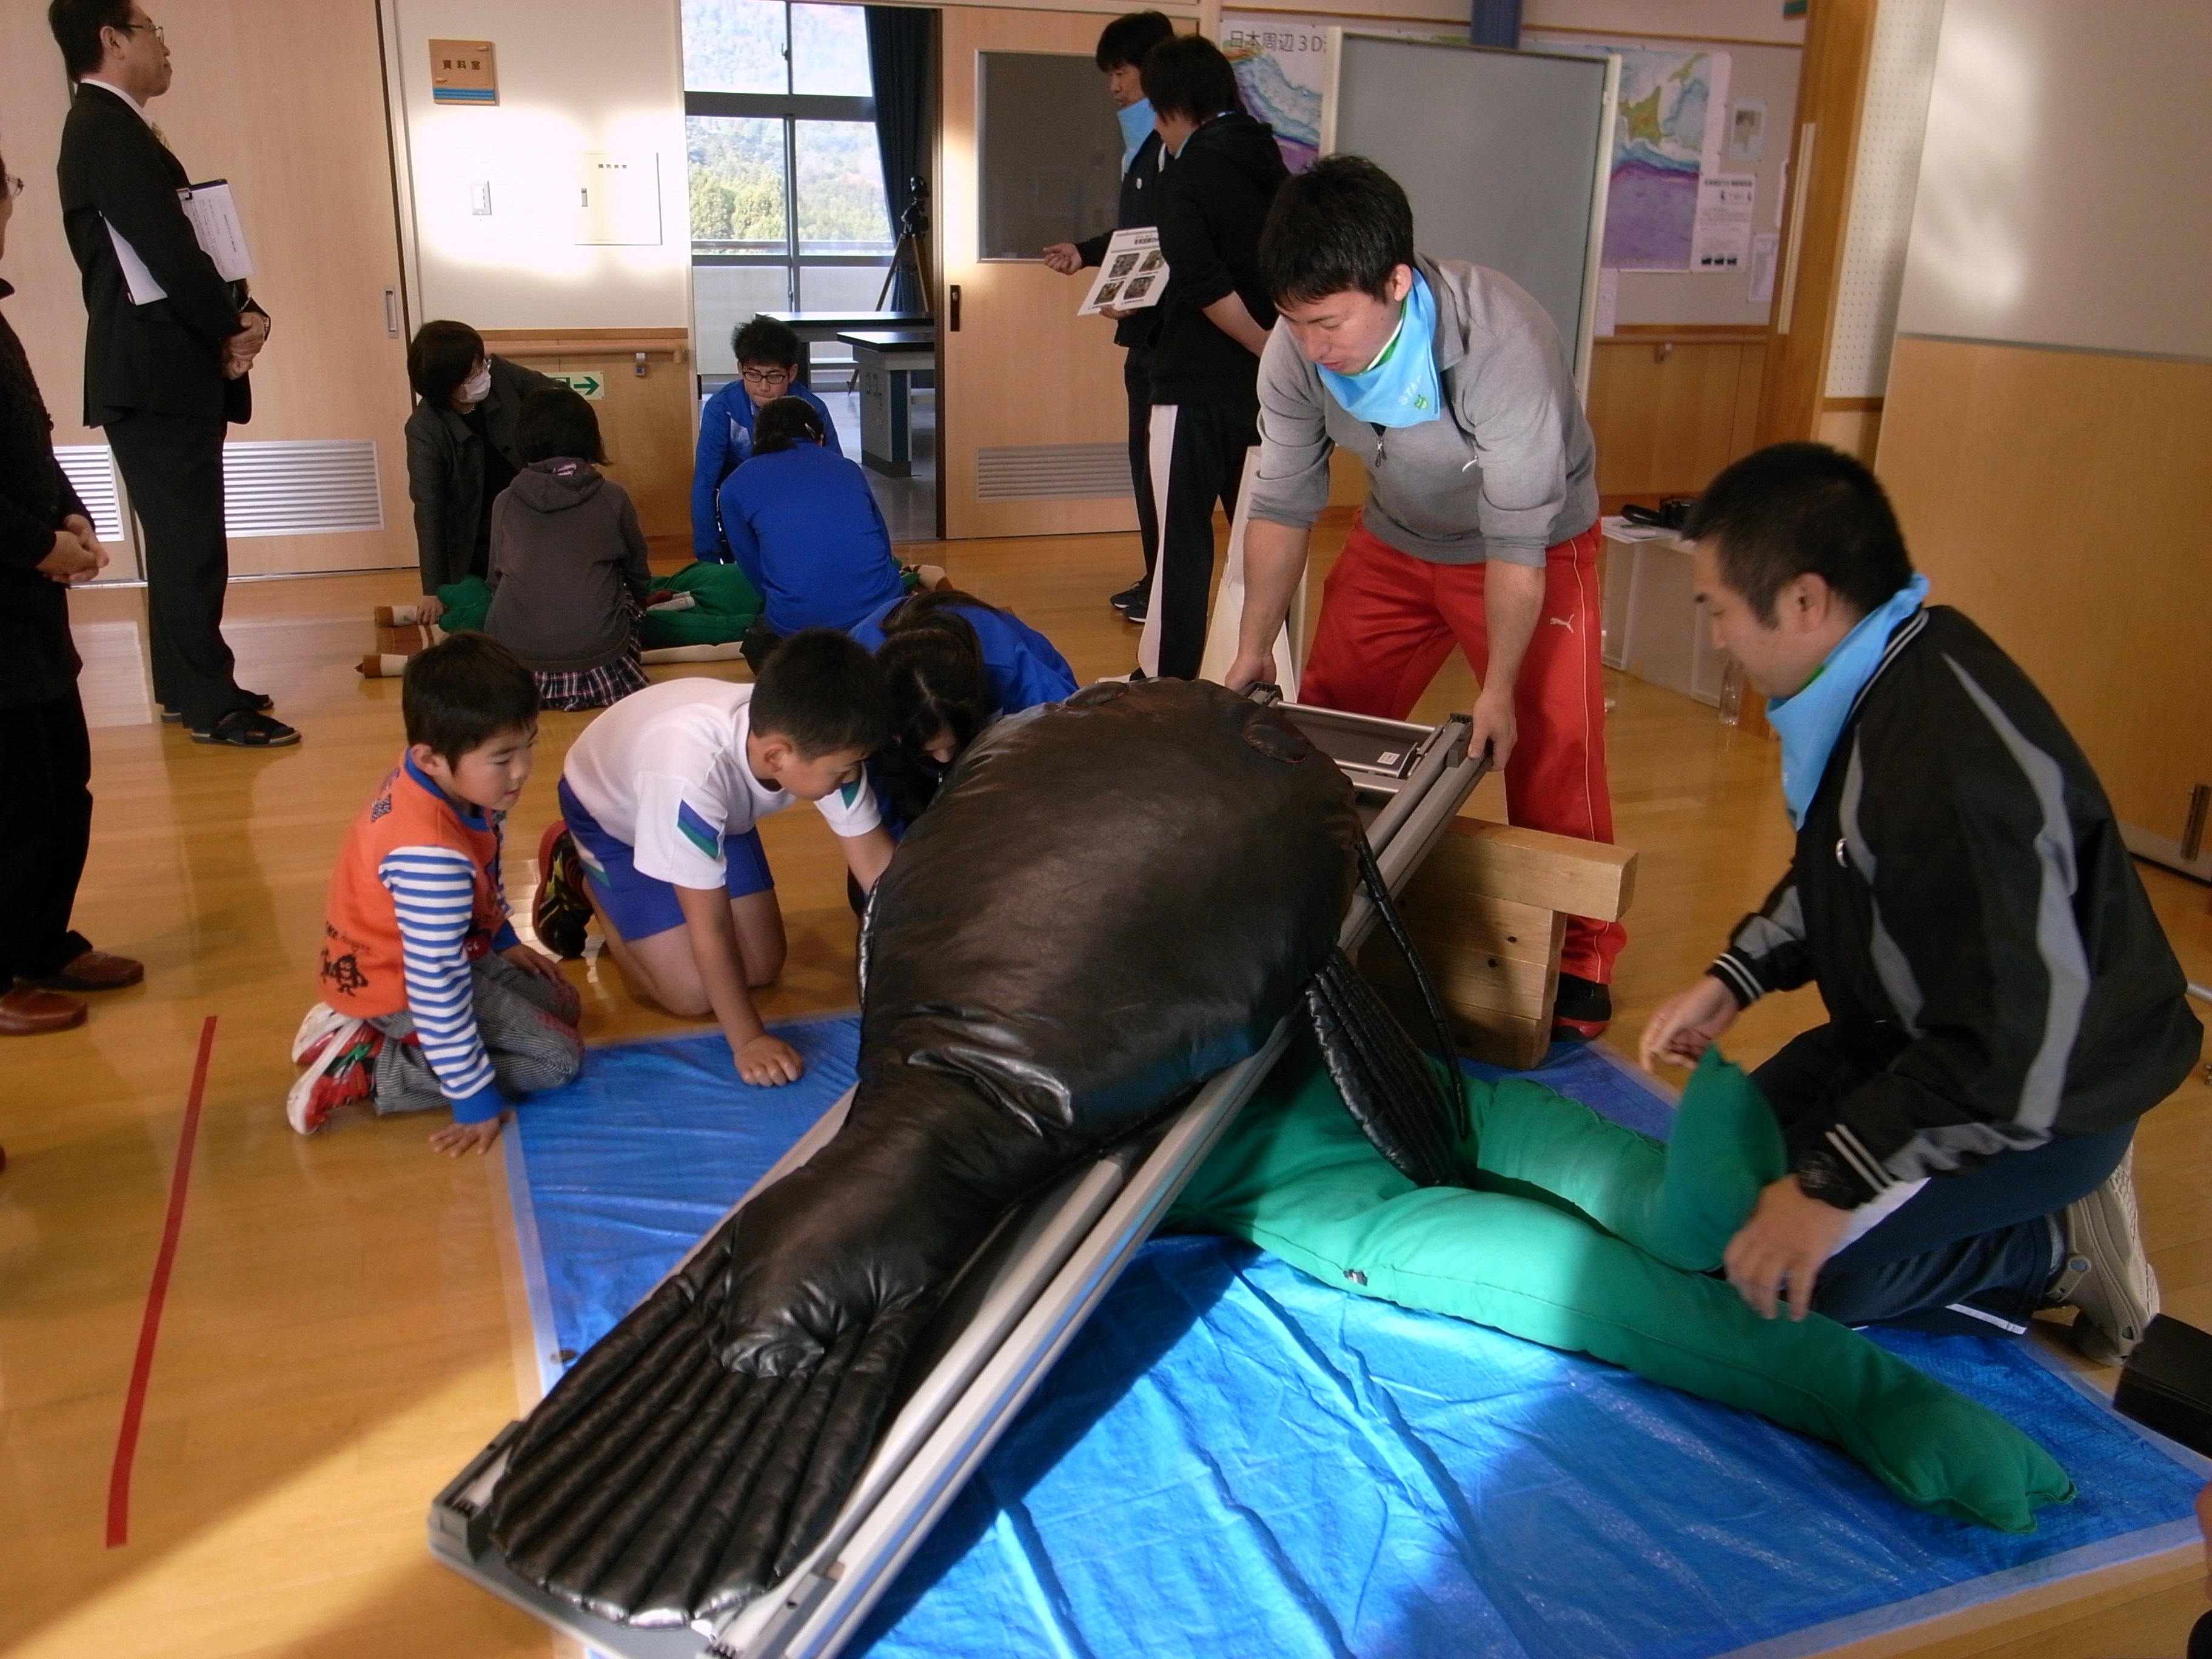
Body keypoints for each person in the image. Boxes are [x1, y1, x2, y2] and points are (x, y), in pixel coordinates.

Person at [1637, 443, 2200, 1359]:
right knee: (1719, 1214)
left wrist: (1829, 1189)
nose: (1718, 640)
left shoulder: (1947, 769)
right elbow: (1845, 866)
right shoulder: (1881, 671)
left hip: (2043, 1089)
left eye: (1720, 612)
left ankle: (2049, 1250)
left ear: (1806, 601)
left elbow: (2008, 1050)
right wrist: (1734, 979)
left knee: (1796, 1284)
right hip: (1918, 1037)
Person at [1224, 156, 1620, 1037]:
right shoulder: (1296, 349)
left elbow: (1517, 543)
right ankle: (1314, 910)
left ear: (1396, 282)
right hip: (1398, 536)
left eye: (1330, 323)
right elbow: (1284, 502)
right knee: (1323, 720)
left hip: (1532, 546)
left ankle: (1582, 955)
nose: (1315, 345)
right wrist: (1254, 645)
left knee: (1550, 743)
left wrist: (1496, 691)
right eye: (1297, 323)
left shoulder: (1503, 341)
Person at [51, 0, 287, 746]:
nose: (165, 45)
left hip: (153, 369)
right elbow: (169, 251)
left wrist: (237, 316)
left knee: (183, 539)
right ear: (113, 39)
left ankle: (190, 687)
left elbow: (179, 251)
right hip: (155, 373)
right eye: (153, 30)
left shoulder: (108, 127)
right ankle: (213, 706)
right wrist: (230, 326)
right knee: (189, 544)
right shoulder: (106, 128)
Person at [531, 630, 896, 1087]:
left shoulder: (821, 737)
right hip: (612, 817)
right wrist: (747, 1040)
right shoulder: (690, 773)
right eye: (841, 771)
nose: (849, 778)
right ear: (777, 756)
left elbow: (882, 879)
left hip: (717, 815)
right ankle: (578, 870)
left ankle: (678, 859)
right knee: (691, 994)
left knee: (762, 967)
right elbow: (710, 924)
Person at [288, 634, 582, 1155]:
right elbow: (435, 989)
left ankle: (366, 1032)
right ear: (430, 758)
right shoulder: (431, 858)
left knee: (561, 1001)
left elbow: (485, 867)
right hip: (400, 981)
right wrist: (473, 1101)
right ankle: (372, 1067)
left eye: (529, 744)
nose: (523, 769)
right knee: (557, 1061)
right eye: (502, 757)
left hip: (434, 949)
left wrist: (501, 938)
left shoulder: (458, 784)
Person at [0, 156, 144, 1037]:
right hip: (7, 592)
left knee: (62, 782)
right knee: (10, 799)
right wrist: (36, 546)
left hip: (29, 605)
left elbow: (31, 443)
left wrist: (73, 513)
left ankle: (44, 942)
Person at [1138, 34, 1288, 682]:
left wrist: (1257, 345)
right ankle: (1264, 679)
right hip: (1271, 399)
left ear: (1172, 106)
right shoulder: (1274, 165)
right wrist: (1275, 357)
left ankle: (1168, 687)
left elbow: (1201, 281)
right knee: (1266, 546)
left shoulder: (1188, 172)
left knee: (1183, 548)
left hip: (1195, 388)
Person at [1042, 10, 1176, 622]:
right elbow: (1137, 236)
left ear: (1152, 69)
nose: (1113, 85)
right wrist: (1087, 252)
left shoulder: (1173, 146)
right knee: (1146, 467)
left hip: (1169, 338)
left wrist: (1137, 292)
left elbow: (1173, 243)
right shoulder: (1143, 148)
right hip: (1146, 337)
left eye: (1120, 72)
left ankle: (1170, 588)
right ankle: (1158, 577)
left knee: (1164, 473)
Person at [851, 586, 1079, 839]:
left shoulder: (1016, 674)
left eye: (952, 744)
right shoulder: (856, 696)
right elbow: (871, 807)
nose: (944, 758)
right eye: (928, 750)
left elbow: (1072, 756)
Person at [484, 386, 652, 712]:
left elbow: (495, 577)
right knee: (621, 588)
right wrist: (641, 606)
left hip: (518, 661)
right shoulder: (612, 497)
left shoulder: (505, 501)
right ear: (590, 436)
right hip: (599, 660)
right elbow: (638, 573)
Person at [717, 397, 902, 670]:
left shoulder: (734, 486)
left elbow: (754, 568)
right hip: (883, 610)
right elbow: (884, 546)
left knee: (758, 644)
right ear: (820, 438)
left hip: (798, 625)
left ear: (757, 442)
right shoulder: (848, 468)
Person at [402, 318, 557, 623]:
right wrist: (433, 590)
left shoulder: (500, 374)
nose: (483, 373)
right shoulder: (424, 429)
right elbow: (429, 509)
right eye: (472, 372)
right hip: (477, 533)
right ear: (446, 384)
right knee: (491, 605)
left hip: (532, 507)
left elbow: (558, 397)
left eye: (481, 363)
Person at [689, 315, 842, 563]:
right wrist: (708, 556)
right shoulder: (722, 409)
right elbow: (704, 482)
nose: (763, 386)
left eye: (774, 376)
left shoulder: (812, 409)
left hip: (796, 500)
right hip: (741, 501)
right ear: (740, 369)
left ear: (791, 373)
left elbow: (834, 473)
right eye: (753, 374)